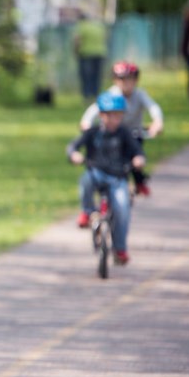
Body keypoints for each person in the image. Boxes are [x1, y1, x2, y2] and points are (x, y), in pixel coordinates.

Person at [67, 92, 145, 266]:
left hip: (118, 177)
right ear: (101, 115)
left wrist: (138, 159)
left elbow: (138, 151)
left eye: (118, 116)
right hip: (96, 173)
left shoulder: (125, 134)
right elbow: (73, 146)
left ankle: (120, 249)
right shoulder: (93, 133)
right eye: (110, 116)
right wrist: (74, 155)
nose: (114, 120)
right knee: (86, 180)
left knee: (122, 209)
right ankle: (87, 213)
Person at [79, 60, 163, 196]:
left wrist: (157, 122)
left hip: (134, 133)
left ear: (136, 80)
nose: (125, 83)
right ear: (115, 80)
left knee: (136, 157)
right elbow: (94, 109)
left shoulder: (140, 94)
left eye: (130, 79)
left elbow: (153, 107)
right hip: (113, 134)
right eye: (121, 79)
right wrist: (86, 122)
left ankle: (139, 181)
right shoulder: (111, 94)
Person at [72, 11, 108, 100]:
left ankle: (87, 97)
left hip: (86, 54)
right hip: (100, 53)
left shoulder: (81, 26)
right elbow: (105, 37)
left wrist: (75, 52)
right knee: (97, 76)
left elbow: (77, 40)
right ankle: (96, 95)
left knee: (86, 77)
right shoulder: (98, 26)